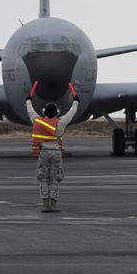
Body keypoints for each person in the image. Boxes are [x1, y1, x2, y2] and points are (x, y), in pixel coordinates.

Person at [26, 83, 79, 213]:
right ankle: (54, 205)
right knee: (55, 179)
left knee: (43, 178)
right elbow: (72, 112)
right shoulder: (61, 122)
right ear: (57, 112)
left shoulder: (37, 121)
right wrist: (76, 101)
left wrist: (28, 99)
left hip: (43, 152)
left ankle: (45, 205)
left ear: (44, 112)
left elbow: (30, 110)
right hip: (56, 153)